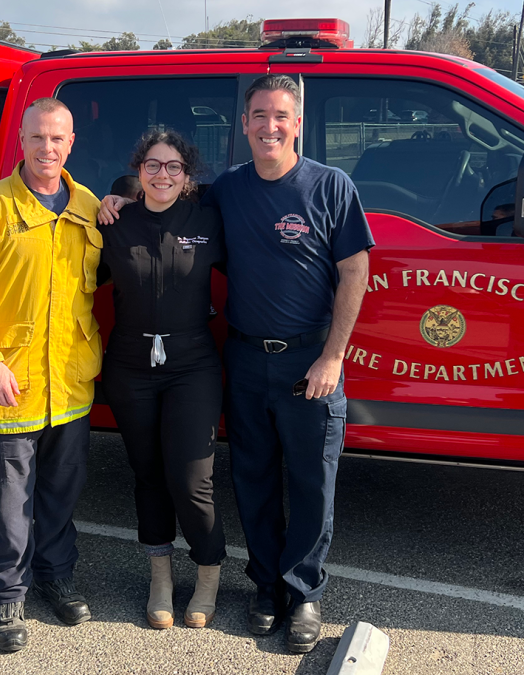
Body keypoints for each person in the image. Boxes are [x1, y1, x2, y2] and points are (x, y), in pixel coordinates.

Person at [100, 74, 373, 654]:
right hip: (246, 357)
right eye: (259, 116)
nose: (269, 126)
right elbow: (167, 193)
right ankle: (266, 588)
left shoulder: (331, 186)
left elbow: (356, 272)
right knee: (251, 479)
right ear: (243, 124)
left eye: (281, 116)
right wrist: (119, 193)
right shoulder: (227, 189)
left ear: (297, 122)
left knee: (310, 482)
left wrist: (333, 356)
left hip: (310, 359)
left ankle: (304, 595)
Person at [0, 97, 104, 653]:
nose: (47, 148)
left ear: (71, 144)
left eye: (58, 139)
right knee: (10, 504)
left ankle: (57, 578)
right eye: (38, 138)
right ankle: (7, 594)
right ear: (21, 141)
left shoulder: (87, 207)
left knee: (60, 494)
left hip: (70, 385)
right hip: (8, 386)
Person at [97, 130, 227, 630]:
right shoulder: (114, 221)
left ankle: (209, 572)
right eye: (153, 165)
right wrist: (111, 199)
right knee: (148, 472)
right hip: (130, 364)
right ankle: (160, 579)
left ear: (187, 175)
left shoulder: (208, 219)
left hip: (192, 363)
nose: (163, 175)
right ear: (139, 171)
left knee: (191, 477)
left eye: (174, 167)